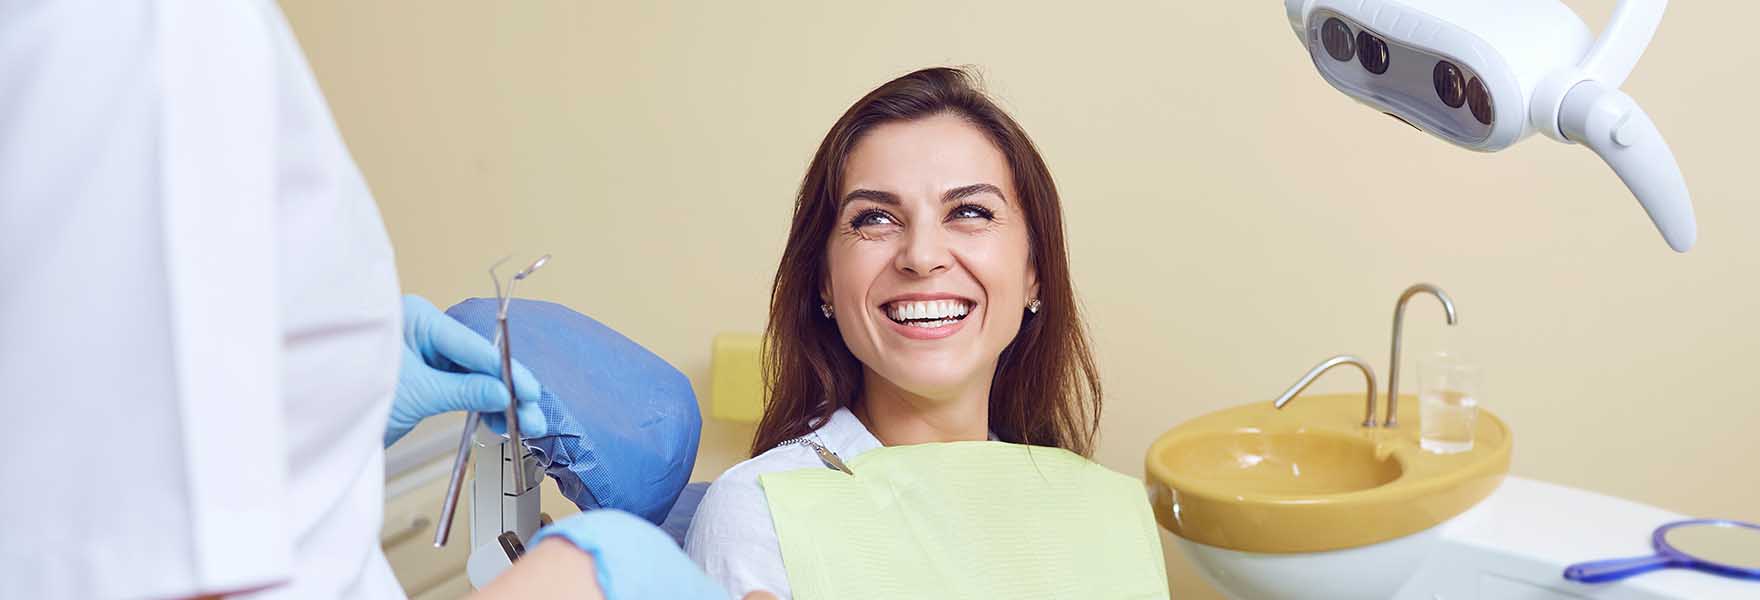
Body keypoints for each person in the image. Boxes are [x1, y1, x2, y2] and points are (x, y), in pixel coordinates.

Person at [0, 1, 754, 598]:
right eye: (865, 218)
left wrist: (336, 399)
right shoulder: (151, 31)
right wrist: (581, 578)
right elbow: (135, 541)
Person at [684, 66, 1106, 598]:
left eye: (970, 211)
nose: (922, 256)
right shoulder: (760, 512)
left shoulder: (1084, 510)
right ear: (825, 283)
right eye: (875, 219)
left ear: (1033, 273)